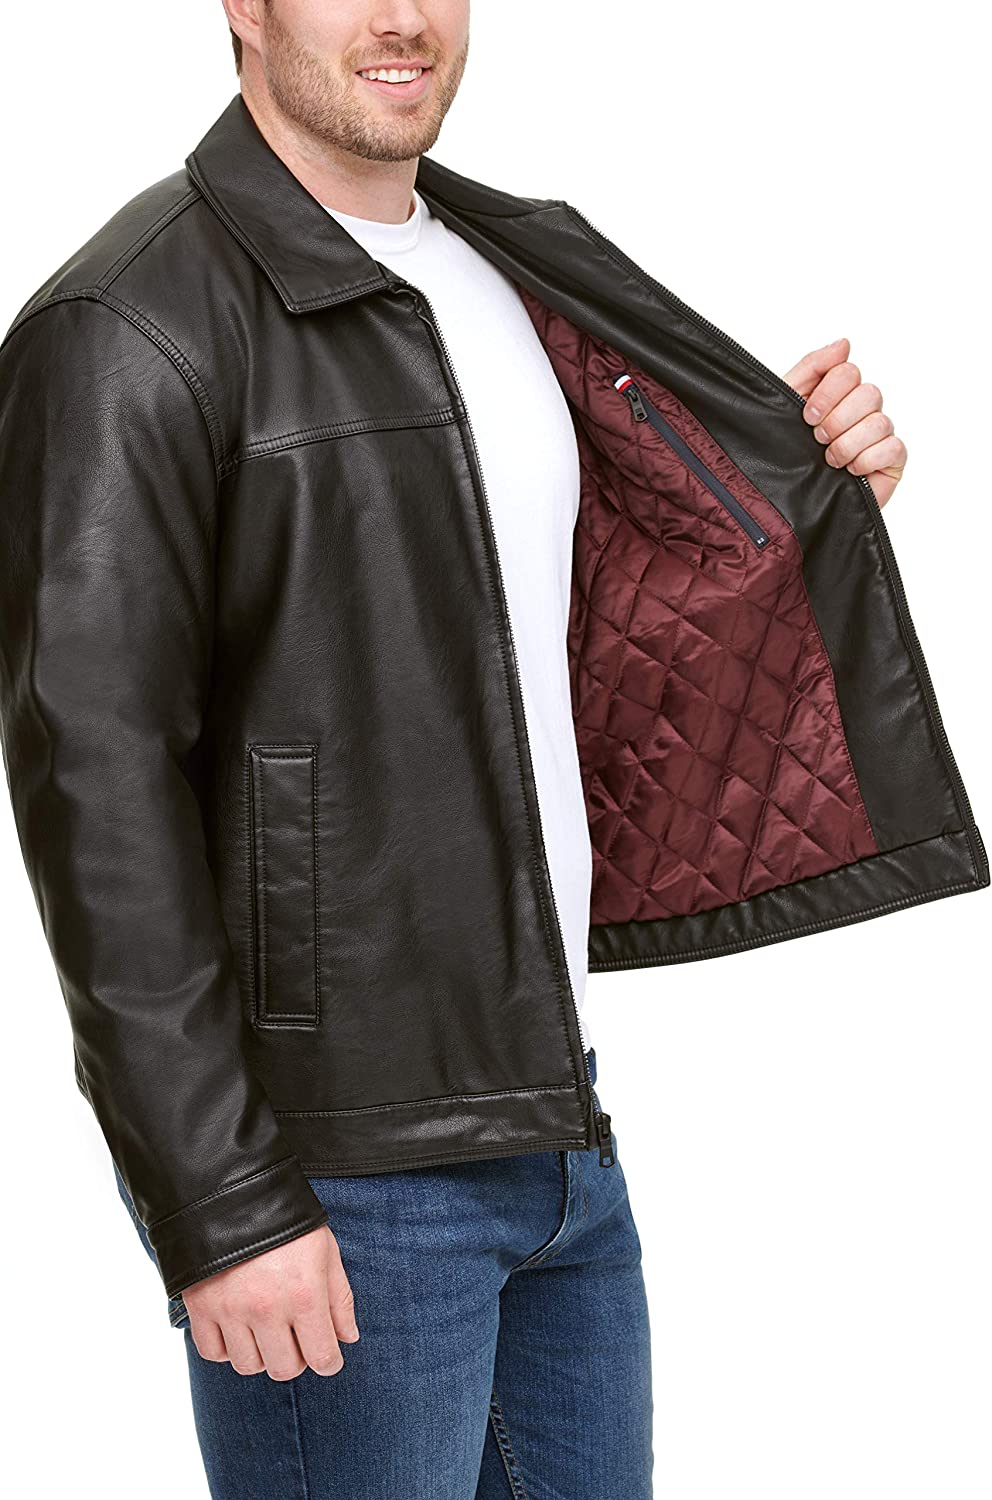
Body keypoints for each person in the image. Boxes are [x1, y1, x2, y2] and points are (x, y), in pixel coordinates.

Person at [2, 3, 985, 1498]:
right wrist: (222, 1203)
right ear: (243, 6)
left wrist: (800, 500)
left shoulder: (512, 262)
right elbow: (96, 791)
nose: (404, 17)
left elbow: (550, 624)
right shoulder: (129, 322)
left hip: (556, 1122)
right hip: (333, 1166)